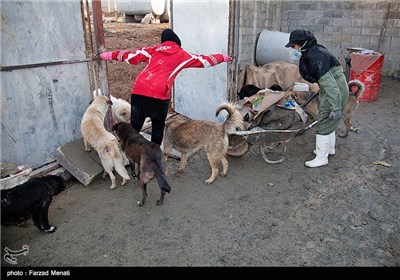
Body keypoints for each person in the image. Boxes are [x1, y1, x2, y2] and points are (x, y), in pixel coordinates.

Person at [100, 28, 233, 145]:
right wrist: (223, 57)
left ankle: (128, 152)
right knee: (157, 128)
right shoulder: (182, 54)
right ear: (178, 43)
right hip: (159, 95)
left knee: (135, 126)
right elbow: (204, 60)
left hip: (139, 90)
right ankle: (154, 155)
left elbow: (130, 56)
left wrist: (108, 55)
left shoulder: (152, 50)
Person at [285, 29, 349, 168]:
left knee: (323, 122)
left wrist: (336, 107)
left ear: (302, 44)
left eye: (294, 45)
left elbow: (331, 85)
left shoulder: (315, 58)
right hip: (336, 88)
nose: (292, 48)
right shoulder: (315, 50)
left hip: (335, 91)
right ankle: (329, 149)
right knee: (329, 121)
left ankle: (321, 158)